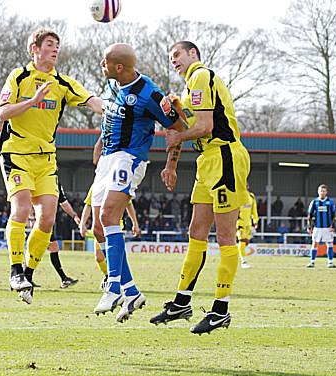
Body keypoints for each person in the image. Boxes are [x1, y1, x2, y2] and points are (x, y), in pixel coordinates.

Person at [149, 40, 250, 335]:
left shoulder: (201, 76)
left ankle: (221, 310)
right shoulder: (189, 88)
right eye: (170, 57)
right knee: (196, 232)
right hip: (208, 160)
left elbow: (204, 127)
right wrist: (171, 163)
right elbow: (186, 129)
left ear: (193, 54)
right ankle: (182, 302)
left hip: (225, 156)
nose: (173, 60)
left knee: (226, 236)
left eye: (177, 54)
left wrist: (178, 137)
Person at [0, 27, 103, 304]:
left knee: (47, 218)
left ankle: (28, 274)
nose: (55, 49)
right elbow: (2, 112)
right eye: (49, 44)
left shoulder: (63, 83)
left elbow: (93, 102)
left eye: (57, 45)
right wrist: (32, 102)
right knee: (21, 208)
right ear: (35, 48)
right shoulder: (18, 76)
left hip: (46, 159)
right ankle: (15, 270)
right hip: (17, 153)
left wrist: (117, 106)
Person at [90, 43, 184, 323]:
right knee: (98, 229)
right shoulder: (112, 85)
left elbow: (178, 127)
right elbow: (112, 117)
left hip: (130, 159)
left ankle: (115, 286)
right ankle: (132, 292)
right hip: (108, 158)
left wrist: (171, 165)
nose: (101, 65)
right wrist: (99, 144)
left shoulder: (149, 93)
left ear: (119, 67)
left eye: (105, 62)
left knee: (109, 215)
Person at [79, 183, 141, 291]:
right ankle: (110, 276)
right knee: (99, 258)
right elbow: (88, 205)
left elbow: (128, 204)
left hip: (114, 226)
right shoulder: (96, 185)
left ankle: (116, 281)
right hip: (99, 227)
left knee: (112, 255)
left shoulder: (117, 185)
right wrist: (82, 224)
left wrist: (135, 223)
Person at [24, 180, 81, 289]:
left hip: (46, 222)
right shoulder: (38, 178)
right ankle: (26, 276)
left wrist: (74, 215)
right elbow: (28, 198)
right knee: (44, 248)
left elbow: (63, 202)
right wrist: (30, 217)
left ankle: (26, 276)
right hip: (39, 221)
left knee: (46, 248)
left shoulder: (55, 182)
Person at [306, 184, 336, 268]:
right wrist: (309, 226)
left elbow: (334, 214)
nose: (322, 193)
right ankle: (312, 262)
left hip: (327, 227)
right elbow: (310, 215)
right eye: (321, 191)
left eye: (324, 191)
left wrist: (333, 225)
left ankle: (330, 263)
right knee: (315, 243)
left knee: (330, 243)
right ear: (318, 192)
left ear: (326, 192)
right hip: (317, 227)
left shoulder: (331, 202)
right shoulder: (314, 202)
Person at [236, 183, 258, 268]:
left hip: (248, 224)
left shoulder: (251, 197)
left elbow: (254, 210)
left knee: (246, 242)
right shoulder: (237, 197)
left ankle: (237, 253)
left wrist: (255, 221)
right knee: (242, 241)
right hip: (239, 223)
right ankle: (243, 261)